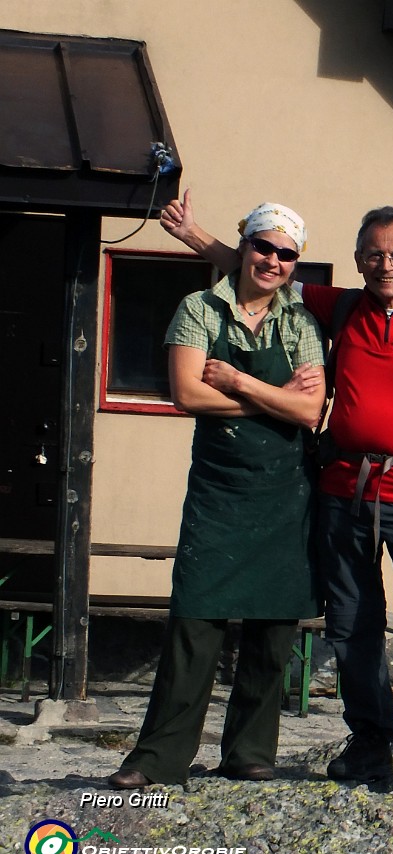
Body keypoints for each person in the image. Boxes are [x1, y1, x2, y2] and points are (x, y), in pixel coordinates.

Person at [160, 193, 393, 801]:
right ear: (359, 260)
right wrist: (193, 234)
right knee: (354, 622)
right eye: (372, 254)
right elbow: (258, 267)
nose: (385, 265)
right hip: (342, 490)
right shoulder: (337, 308)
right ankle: (370, 739)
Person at [108, 203, 325, 789]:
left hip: (285, 494)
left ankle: (250, 750)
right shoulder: (198, 309)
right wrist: (272, 397)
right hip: (219, 491)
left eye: (286, 253)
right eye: (263, 246)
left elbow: (309, 411)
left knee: (274, 626)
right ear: (245, 244)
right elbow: (185, 393)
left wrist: (235, 381)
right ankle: (159, 756)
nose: (272, 260)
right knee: (194, 620)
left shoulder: (302, 321)